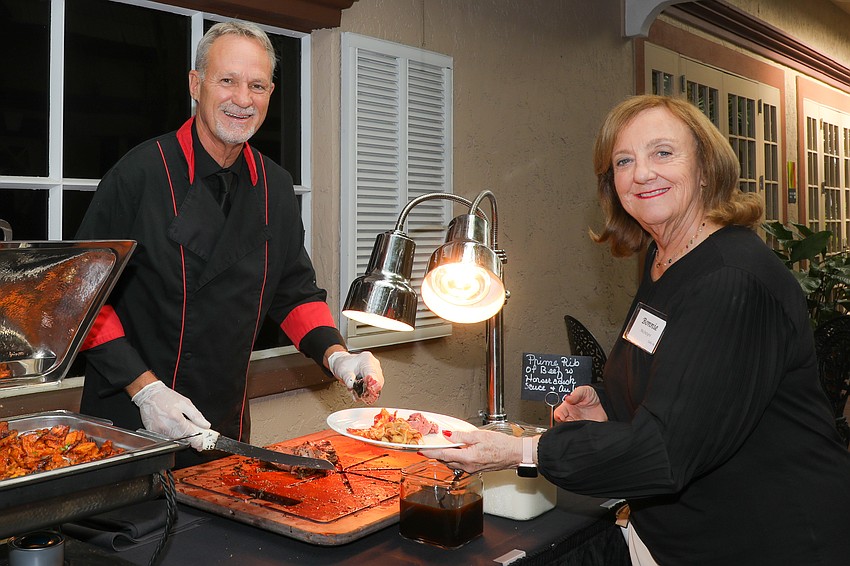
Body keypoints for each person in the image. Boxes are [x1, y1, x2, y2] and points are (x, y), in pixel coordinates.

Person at [424, 95, 850, 565]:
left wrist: (522, 450)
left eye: (662, 153)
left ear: (706, 168)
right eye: (624, 161)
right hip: (670, 537)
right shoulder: (663, 257)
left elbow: (665, 453)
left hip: (767, 543)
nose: (642, 173)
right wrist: (606, 404)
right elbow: (666, 381)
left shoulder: (731, 281)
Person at [75, 21, 384, 468]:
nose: (243, 99)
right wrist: (146, 390)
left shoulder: (275, 186)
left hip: (222, 427)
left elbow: (293, 292)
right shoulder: (139, 174)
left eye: (257, 85)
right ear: (196, 85)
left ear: (270, 95)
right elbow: (82, 300)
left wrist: (339, 356)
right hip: (131, 421)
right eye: (228, 81)